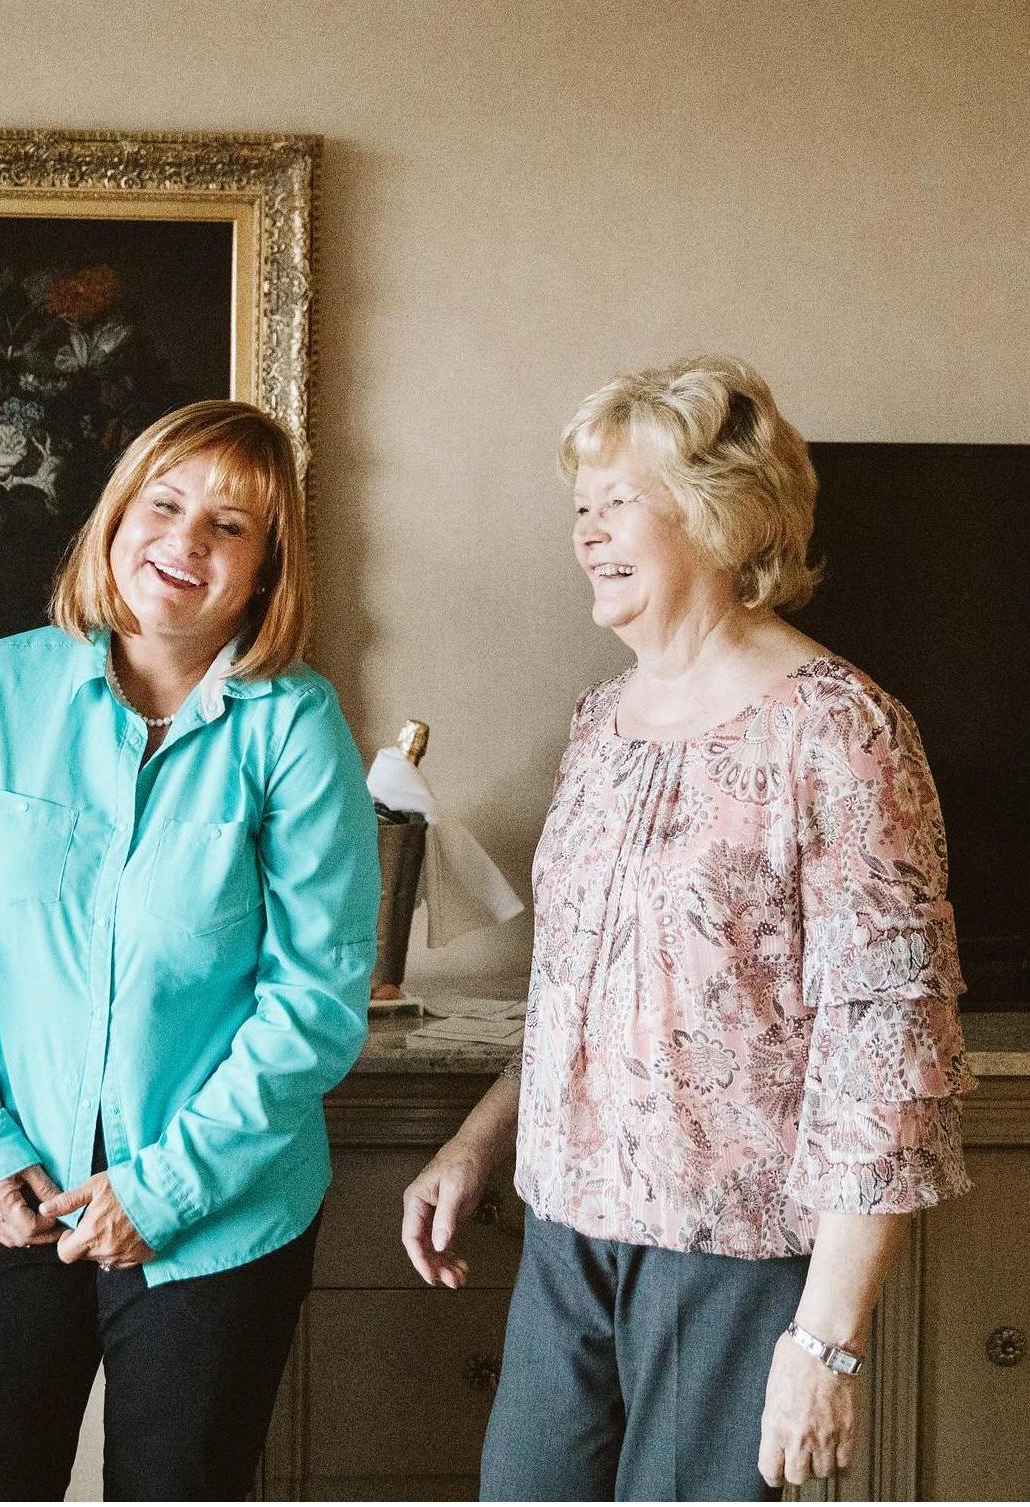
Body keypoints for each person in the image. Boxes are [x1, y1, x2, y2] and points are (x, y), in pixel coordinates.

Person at [402, 356, 973, 1501]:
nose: (588, 532)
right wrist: (480, 1142)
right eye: (581, 506)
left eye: (621, 500)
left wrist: (822, 1346)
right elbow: (585, 991)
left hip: (733, 1263)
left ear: (721, 514)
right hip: (567, 1241)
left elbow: (890, 1065)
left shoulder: (843, 734)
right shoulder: (600, 723)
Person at [0, 399, 380, 1500]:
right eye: (165, 505)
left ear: (266, 570)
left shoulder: (296, 727)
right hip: (7, 1188)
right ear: (115, 520)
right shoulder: (2, 689)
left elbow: (313, 1000)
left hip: (218, 1214)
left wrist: (160, 1191)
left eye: (231, 527)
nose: (186, 543)